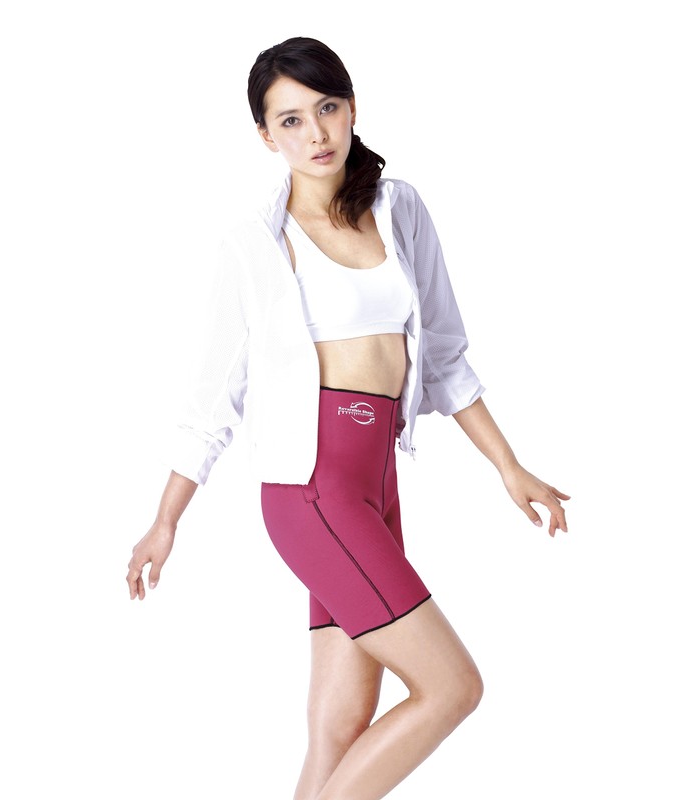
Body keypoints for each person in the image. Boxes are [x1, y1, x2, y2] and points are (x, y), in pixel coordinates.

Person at [126, 36, 570, 800]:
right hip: (313, 491)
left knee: (341, 726)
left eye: (327, 108)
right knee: (452, 687)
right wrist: (165, 521)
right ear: (265, 136)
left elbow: (444, 358)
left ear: (352, 106)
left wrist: (508, 465)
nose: (316, 133)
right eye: (291, 120)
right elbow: (212, 399)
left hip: (376, 483)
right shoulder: (254, 244)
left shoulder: (400, 209)